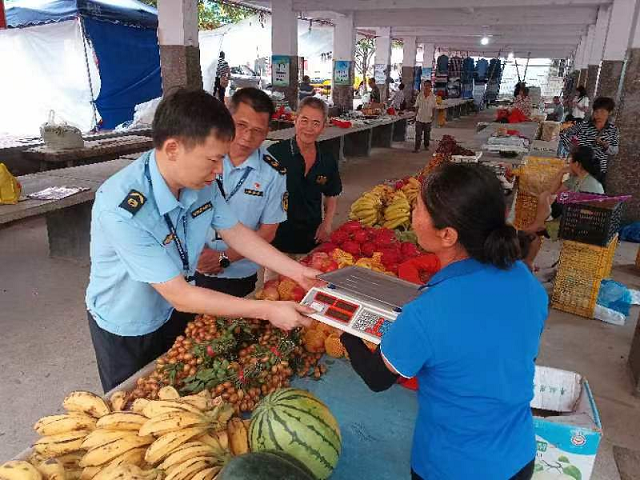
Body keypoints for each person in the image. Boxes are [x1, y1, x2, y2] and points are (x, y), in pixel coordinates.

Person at [86, 89, 318, 392]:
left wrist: (299, 273)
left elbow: (236, 232)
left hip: (172, 312)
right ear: (172, 149)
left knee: (177, 389)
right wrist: (268, 310)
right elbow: (180, 295)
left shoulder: (199, 182)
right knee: (133, 405)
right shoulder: (122, 208)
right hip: (128, 324)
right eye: (213, 159)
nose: (220, 169)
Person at [340, 163, 547, 480]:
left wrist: (346, 331)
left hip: (453, 466)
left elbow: (377, 378)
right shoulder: (526, 279)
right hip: (517, 456)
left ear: (447, 235)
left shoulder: (428, 313)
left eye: (418, 208)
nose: (412, 214)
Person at [195, 88, 286, 298]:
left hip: (237, 275)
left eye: (257, 131)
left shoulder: (273, 173)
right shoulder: (200, 154)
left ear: (267, 132)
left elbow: (268, 231)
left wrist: (224, 258)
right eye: (241, 125)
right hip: (188, 267)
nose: (247, 137)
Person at [267, 96, 342, 255]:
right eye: (304, 120)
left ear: (323, 126)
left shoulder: (327, 160)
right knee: (274, 280)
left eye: (316, 123)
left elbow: (332, 194)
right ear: (295, 120)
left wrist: (327, 224)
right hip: (276, 240)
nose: (309, 128)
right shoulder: (275, 153)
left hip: (311, 239)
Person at [522, 146, 604, 269]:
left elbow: (587, 215)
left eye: (570, 161)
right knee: (545, 197)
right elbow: (552, 191)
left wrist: (557, 222)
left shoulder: (591, 185)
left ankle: (528, 256)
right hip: (573, 219)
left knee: (533, 233)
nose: (568, 163)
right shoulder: (578, 178)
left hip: (583, 228)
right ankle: (537, 225)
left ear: (577, 164)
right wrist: (561, 172)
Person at [560, 96, 619, 184]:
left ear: (609, 112)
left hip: (599, 171)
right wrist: (573, 149)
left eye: (602, 112)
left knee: (594, 196)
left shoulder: (613, 130)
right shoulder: (583, 126)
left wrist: (606, 146)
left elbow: (615, 150)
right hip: (580, 169)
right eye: (596, 111)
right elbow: (564, 135)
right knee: (575, 194)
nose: (598, 115)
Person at [413, 80, 437, 153]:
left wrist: (433, 116)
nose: (426, 87)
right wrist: (415, 115)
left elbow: (434, 107)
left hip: (428, 118)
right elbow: (416, 106)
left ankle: (426, 146)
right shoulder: (420, 95)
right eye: (425, 85)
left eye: (428, 86)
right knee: (418, 134)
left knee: (427, 134)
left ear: (430, 87)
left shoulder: (433, 97)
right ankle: (417, 148)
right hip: (419, 117)